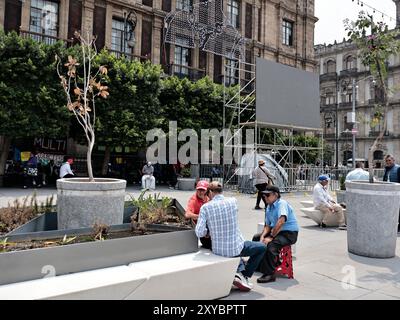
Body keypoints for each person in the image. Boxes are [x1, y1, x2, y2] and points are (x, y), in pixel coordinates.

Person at [195, 181, 266, 292]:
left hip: (218, 250)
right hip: (236, 247)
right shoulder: (233, 201)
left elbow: (199, 232)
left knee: (240, 250)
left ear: (210, 193)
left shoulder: (205, 207)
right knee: (262, 247)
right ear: (221, 191)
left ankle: (239, 274)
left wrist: (207, 232)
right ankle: (245, 275)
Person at [252, 186, 299, 283]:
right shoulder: (269, 206)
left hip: (289, 233)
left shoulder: (281, 203)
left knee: (272, 245)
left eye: (267, 195)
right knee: (256, 238)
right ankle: (258, 264)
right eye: (264, 195)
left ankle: (269, 274)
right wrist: (263, 236)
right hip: (278, 231)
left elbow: (281, 221)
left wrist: (271, 237)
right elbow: (267, 225)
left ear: (275, 195)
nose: (265, 197)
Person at [185, 180, 211, 249]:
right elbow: (187, 214)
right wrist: (201, 217)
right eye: (199, 190)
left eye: (203, 190)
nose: (200, 192)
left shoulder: (208, 198)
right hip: (200, 228)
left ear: (207, 191)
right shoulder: (194, 200)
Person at [383, 154, 400, 232]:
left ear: (393, 160)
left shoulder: (398, 168)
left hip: (397, 193)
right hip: (388, 194)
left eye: (389, 160)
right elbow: (385, 181)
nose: (388, 162)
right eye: (386, 161)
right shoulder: (386, 169)